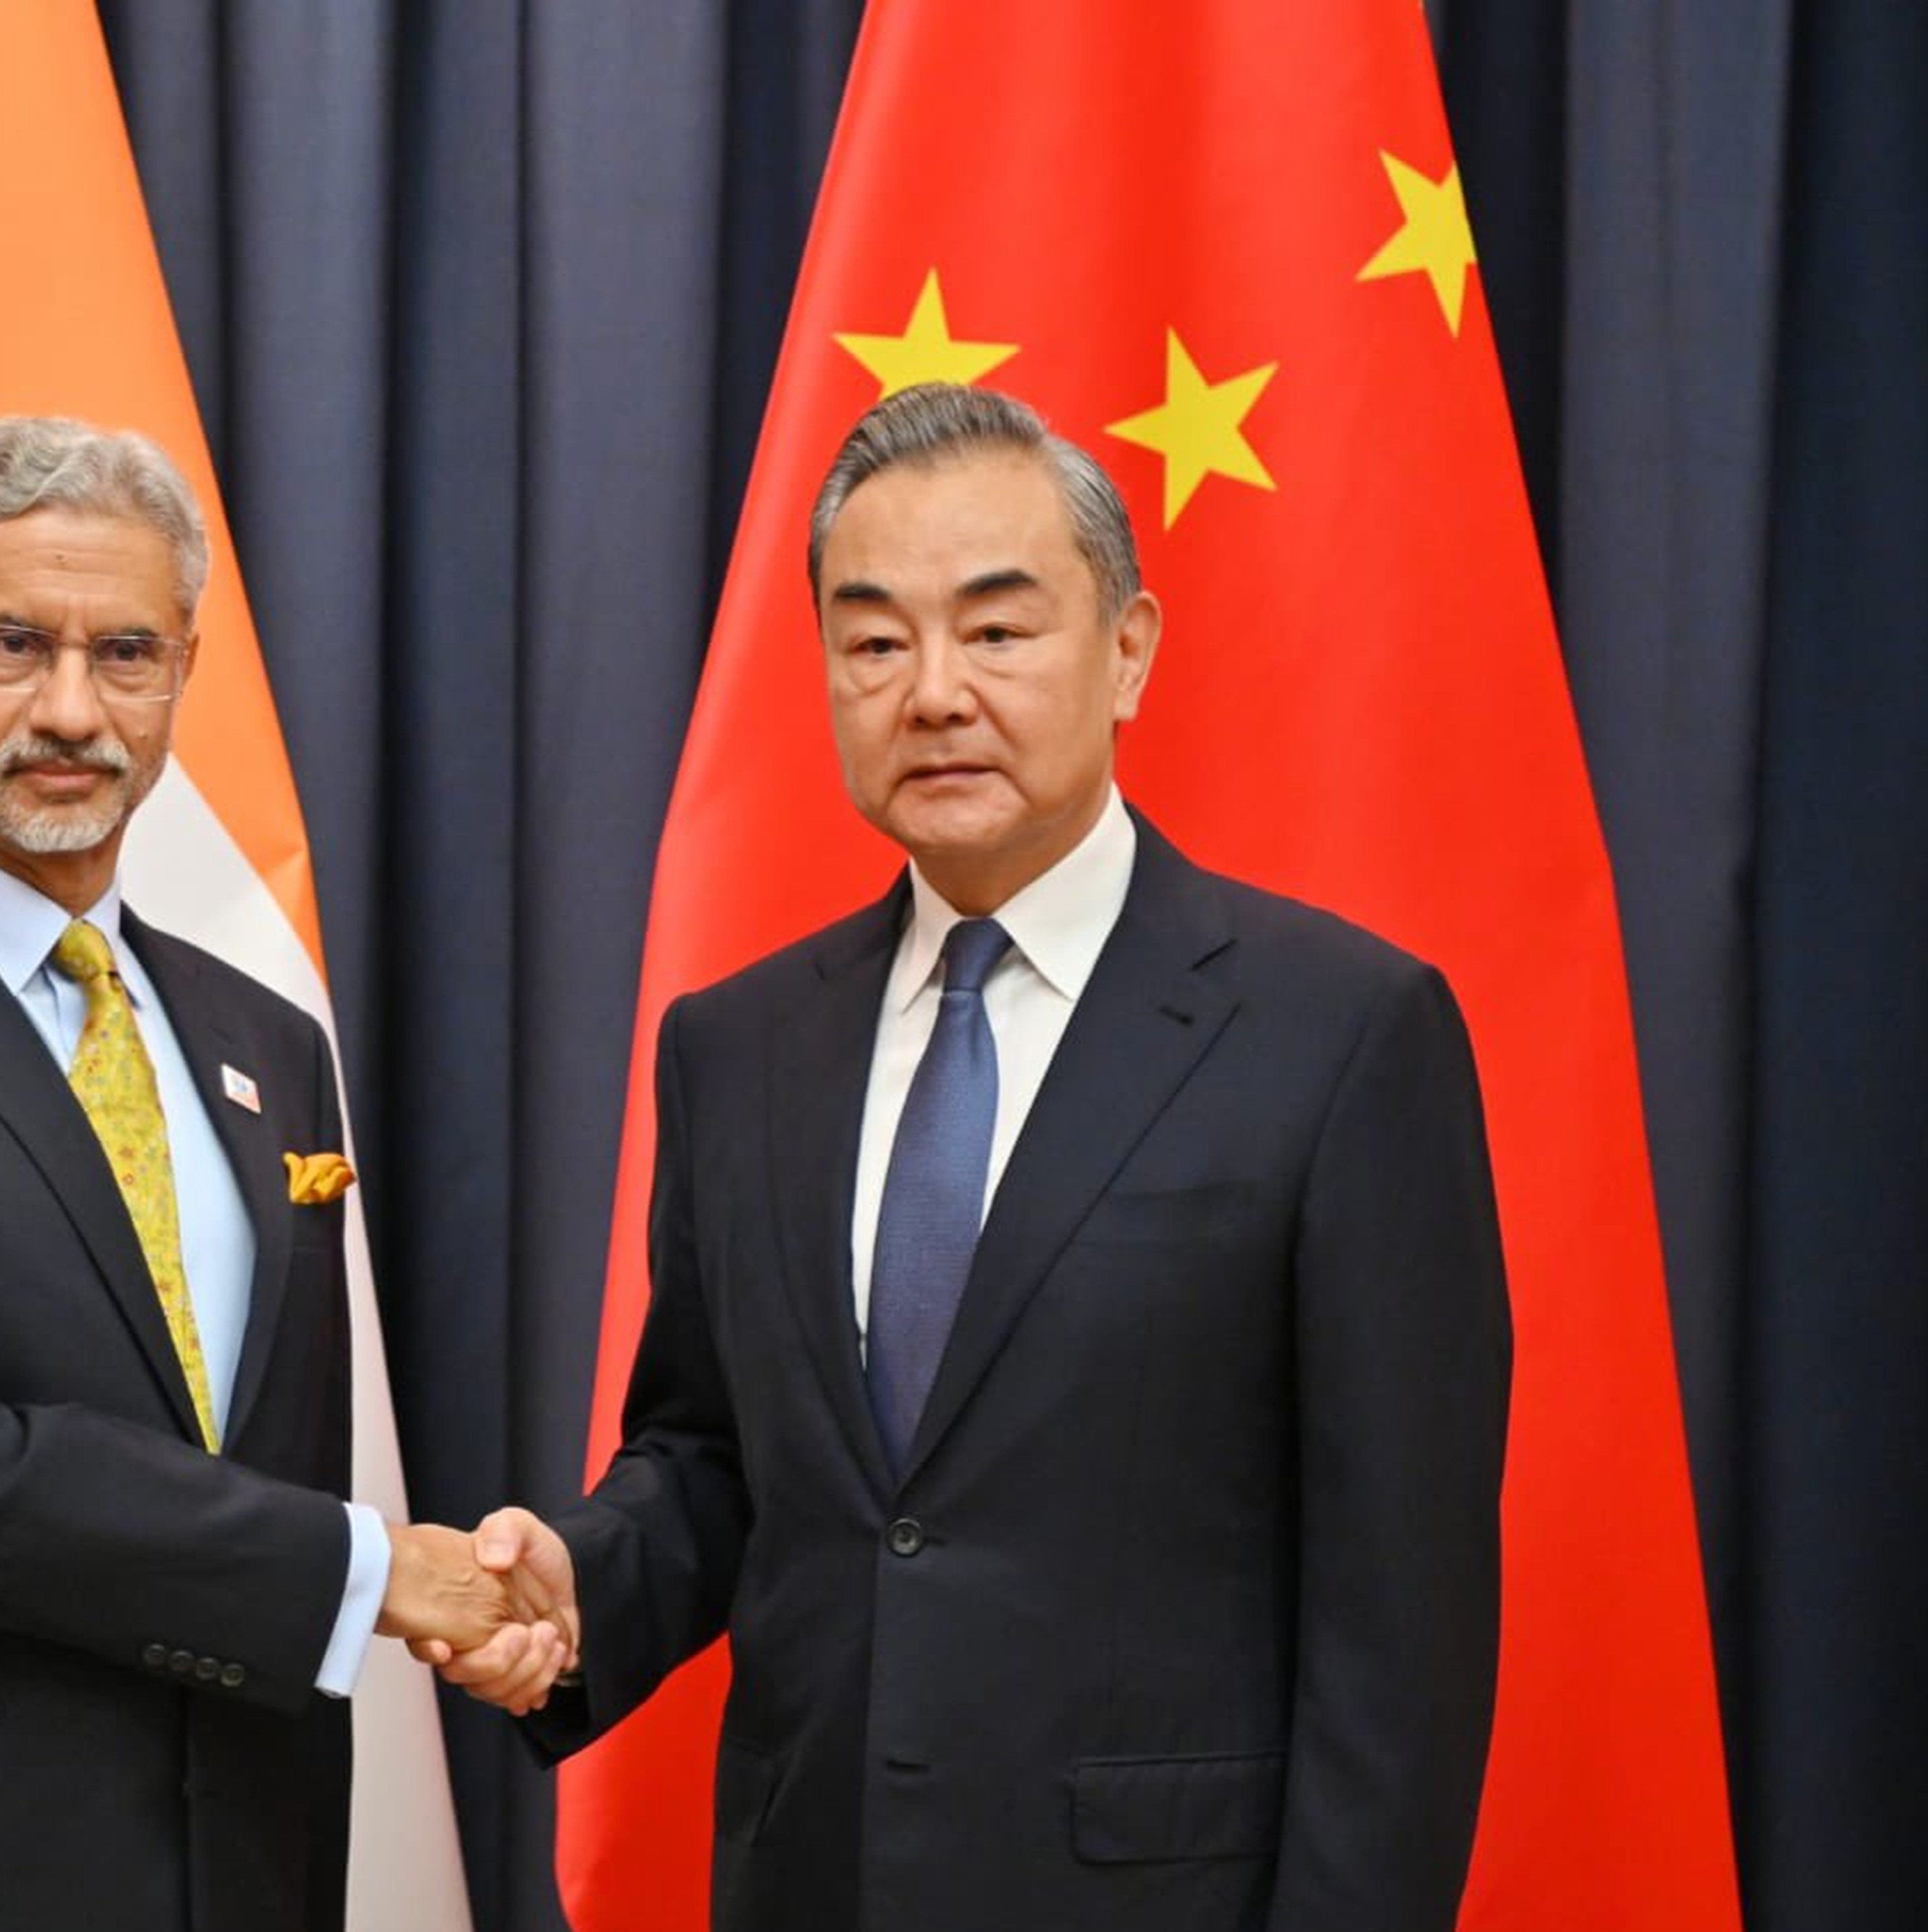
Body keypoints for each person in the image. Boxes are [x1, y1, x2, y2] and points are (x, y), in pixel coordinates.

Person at [431, 383, 1511, 1931]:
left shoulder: (1341, 1035)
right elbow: (717, 1459)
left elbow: (1398, 1621)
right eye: (873, 642)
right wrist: (577, 1586)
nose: (931, 690)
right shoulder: (735, 1048)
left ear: (1126, 648)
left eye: (996, 632)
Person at [0, 416, 556, 1932]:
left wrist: (474, 1602)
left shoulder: (264, 1044)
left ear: (182, 673)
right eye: (12, 643)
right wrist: (368, 1575)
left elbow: (239, 1456)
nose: (72, 708)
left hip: (240, 1865)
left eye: (125, 653)